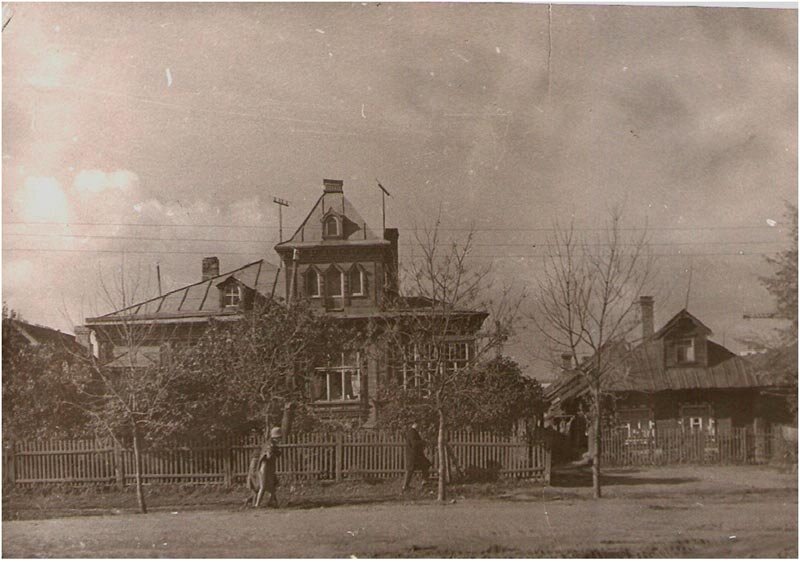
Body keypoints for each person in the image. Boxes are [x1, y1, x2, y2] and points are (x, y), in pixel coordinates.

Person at [246, 426, 283, 508]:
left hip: (268, 468)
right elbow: (268, 456)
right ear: (274, 437)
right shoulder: (269, 445)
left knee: (272, 487)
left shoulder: (272, 445)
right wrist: (271, 452)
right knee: (262, 487)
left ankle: (270, 502)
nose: (279, 439)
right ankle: (256, 505)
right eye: (278, 438)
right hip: (264, 468)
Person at [402, 422, 431, 492]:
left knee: (426, 464)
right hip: (413, 455)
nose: (420, 427)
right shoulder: (412, 432)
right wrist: (423, 442)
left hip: (416, 455)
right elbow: (414, 443)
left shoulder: (413, 432)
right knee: (410, 470)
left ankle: (424, 482)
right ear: (415, 424)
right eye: (419, 425)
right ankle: (405, 486)